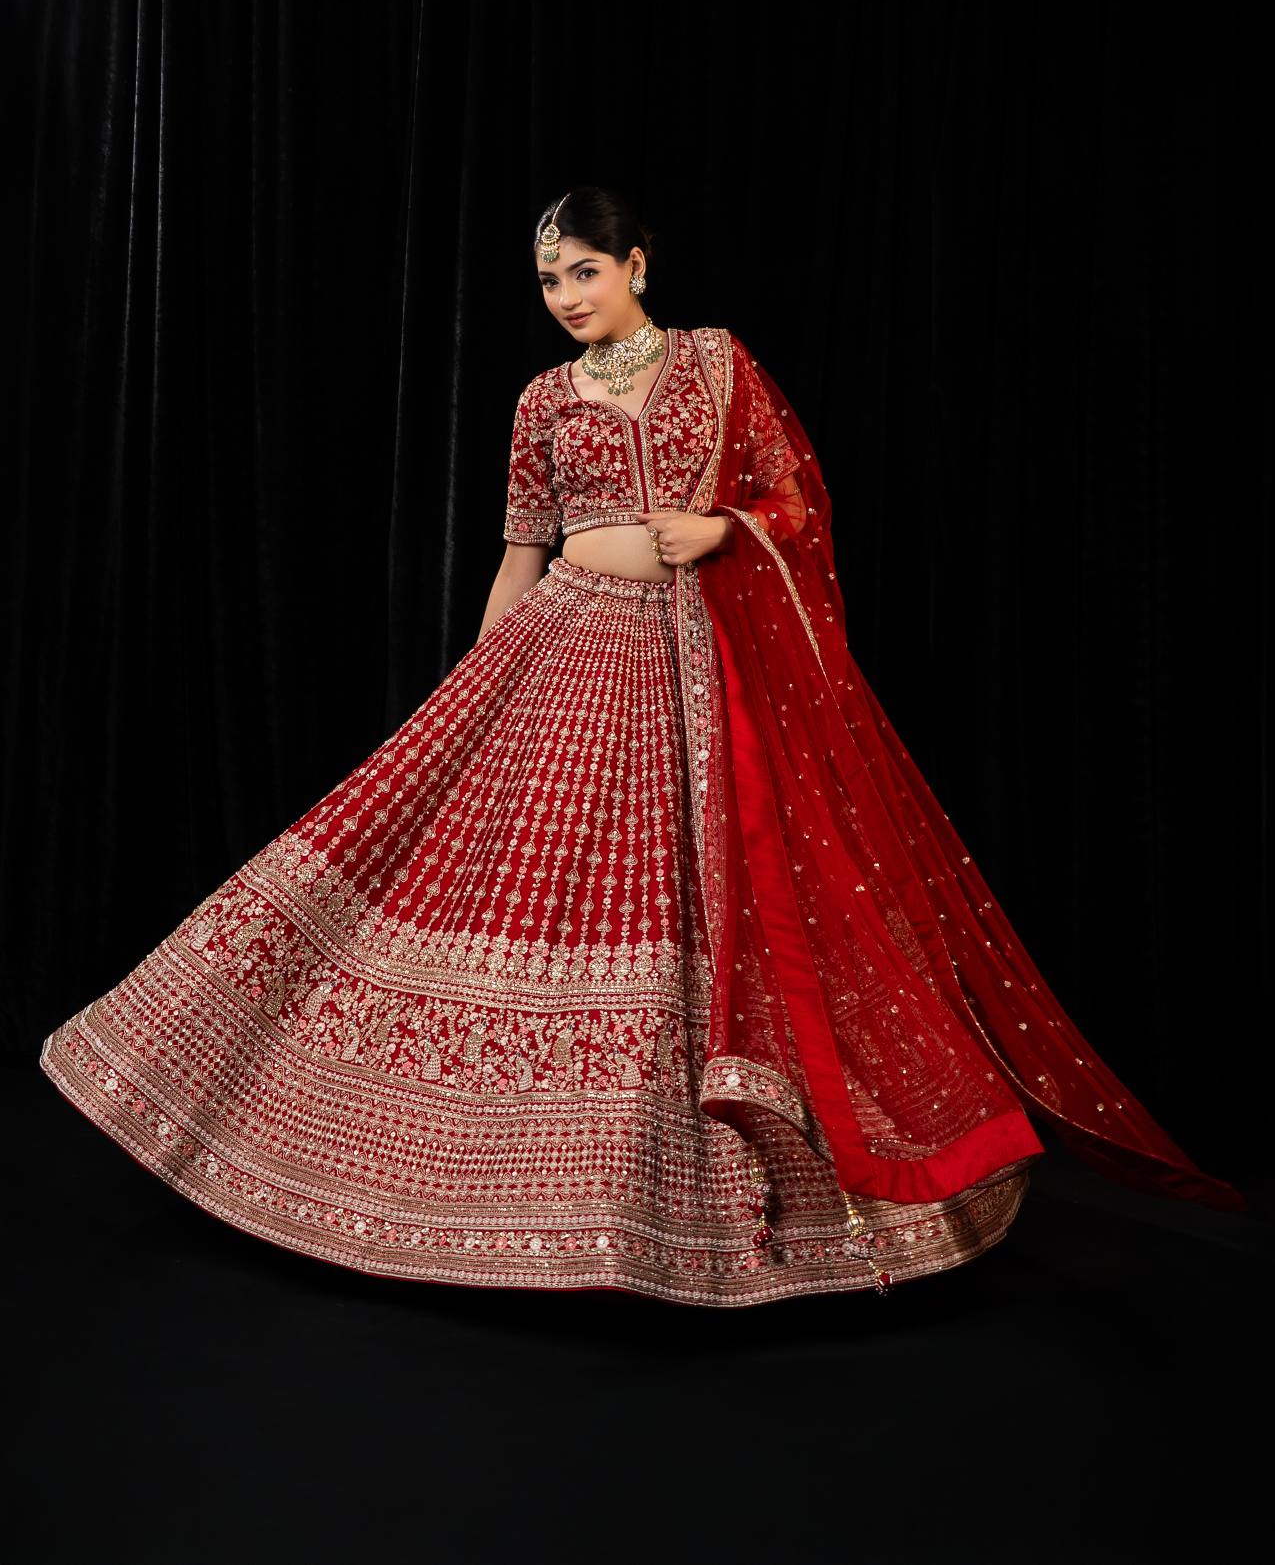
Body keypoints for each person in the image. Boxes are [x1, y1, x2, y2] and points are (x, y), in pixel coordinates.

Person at [39, 185, 1246, 1310]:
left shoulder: (718, 365)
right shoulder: (540, 401)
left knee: (682, 902)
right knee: (507, 883)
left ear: (638, 265)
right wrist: (475, 682)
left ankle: (671, 1205)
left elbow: (802, 500)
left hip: (689, 660)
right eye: (549, 281)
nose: (566, 298)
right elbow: (520, 547)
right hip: (563, 647)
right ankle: (469, 1182)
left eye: (584, 273)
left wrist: (722, 522)